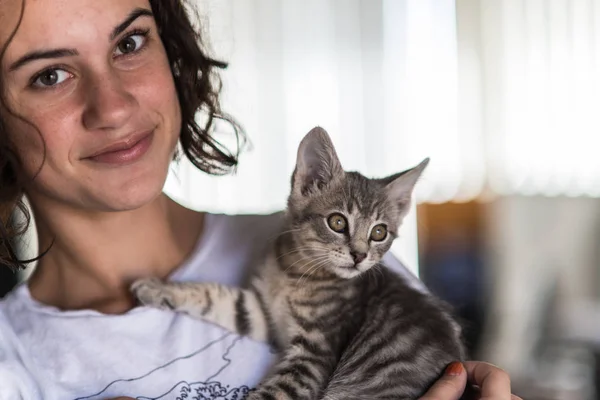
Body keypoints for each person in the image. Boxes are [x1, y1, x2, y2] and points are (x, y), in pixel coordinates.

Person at [0, 0, 521, 399]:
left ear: (172, 53)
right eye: (50, 75)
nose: (112, 107)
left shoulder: (343, 267)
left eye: (130, 43)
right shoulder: (13, 363)